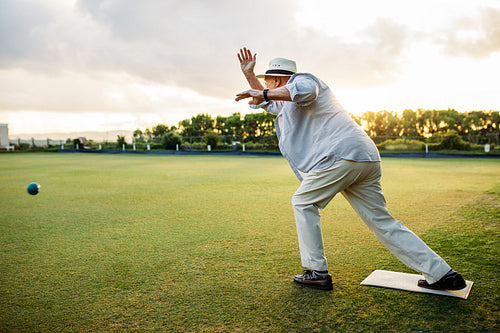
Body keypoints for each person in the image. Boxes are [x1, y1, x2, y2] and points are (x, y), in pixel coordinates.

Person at [235, 47, 466, 291]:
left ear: (278, 79)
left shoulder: (303, 80)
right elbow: (263, 98)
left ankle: (317, 272)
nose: (265, 85)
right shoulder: (284, 103)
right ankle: (442, 273)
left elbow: (299, 91)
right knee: (382, 221)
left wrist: (267, 92)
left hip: (340, 156)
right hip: (363, 158)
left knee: (303, 202)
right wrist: (250, 75)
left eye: (267, 80)